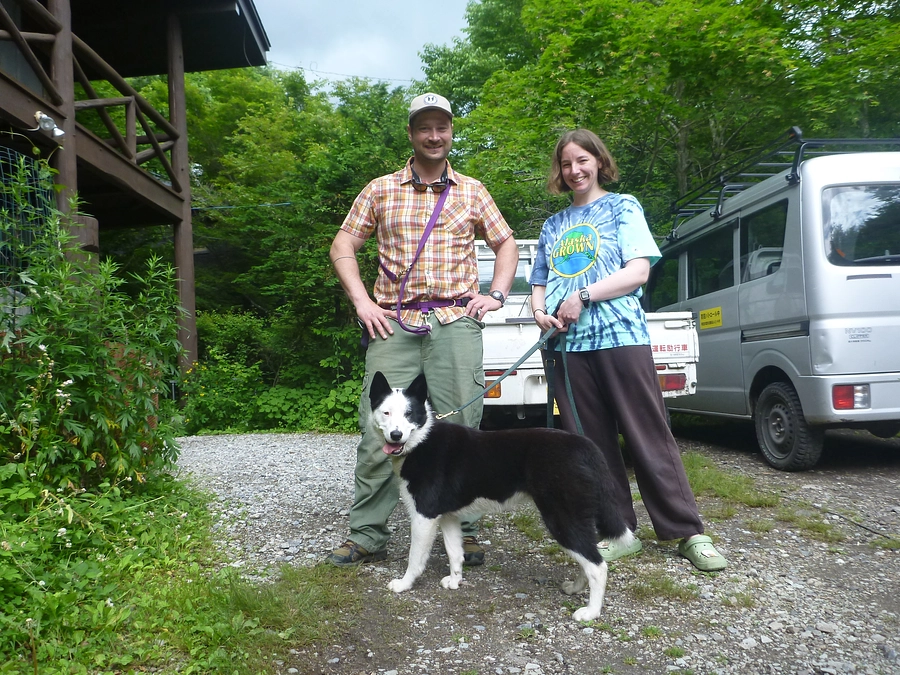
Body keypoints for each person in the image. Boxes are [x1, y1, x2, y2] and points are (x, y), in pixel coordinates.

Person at [327, 92, 518, 567]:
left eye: (443, 128)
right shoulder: (380, 189)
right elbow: (342, 246)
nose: (434, 136)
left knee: (462, 429)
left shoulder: (473, 191)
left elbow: (506, 244)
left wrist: (495, 294)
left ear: (451, 132)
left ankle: (465, 529)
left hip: (456, 323)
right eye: (425, 128)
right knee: (379, 434)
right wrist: (362, 301)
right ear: (411, 133)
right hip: (394, 324)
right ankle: (367, 533)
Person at [530, 129, 727, 572]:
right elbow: (539, 282)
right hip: (567, 346)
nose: (575, 170)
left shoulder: (623, 207)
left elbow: (637, 272)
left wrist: (583, 294)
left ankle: (688, 531)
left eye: (582, 160)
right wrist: (541, 311)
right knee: (592, 446)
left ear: (599, 161)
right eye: (566, 164)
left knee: (647, 436)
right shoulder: (553, 225)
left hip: (621, 336)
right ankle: (618, 531)